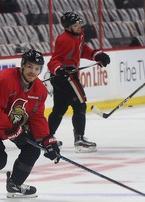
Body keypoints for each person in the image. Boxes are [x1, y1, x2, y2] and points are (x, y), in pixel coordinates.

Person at [0, 49, 60, 198]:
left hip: (11, 122)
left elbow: (37, 117)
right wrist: (13, 130)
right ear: (23, 65)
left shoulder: (40, 91)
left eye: (37, 68)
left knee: (33, 150)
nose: (33, 71)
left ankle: (15, 184)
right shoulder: (5, 78)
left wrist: (47, 140)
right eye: (30, 66)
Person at [47, 12, 110, 153]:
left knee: (59, 109)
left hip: (63, 76)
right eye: (75, 25)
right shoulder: (64, 39)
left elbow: (81, 50)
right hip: (65, 77)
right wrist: (59, 69)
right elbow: (54, 60)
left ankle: (45, 137)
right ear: (68, 27)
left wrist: (97, 55)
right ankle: (79, 140)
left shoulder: (79, 35)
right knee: (80, 104)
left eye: (79, 24)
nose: (79, 27)